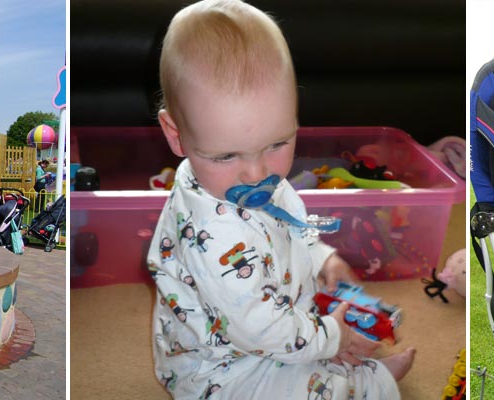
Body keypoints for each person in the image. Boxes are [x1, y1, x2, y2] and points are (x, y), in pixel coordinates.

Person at [148, 1, 415, 398]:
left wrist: (323, 257)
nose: (257, 175)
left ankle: (349, 367)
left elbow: (293, 227)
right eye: (225, 155)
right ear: (176, 134)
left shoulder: (260, 181)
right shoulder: (211, 233)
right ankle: (365, 383)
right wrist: (333, 338)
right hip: (221, 367)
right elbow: (259, 329)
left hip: (277, 316)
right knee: (309, 385)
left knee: (313, 340)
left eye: (277, 143)